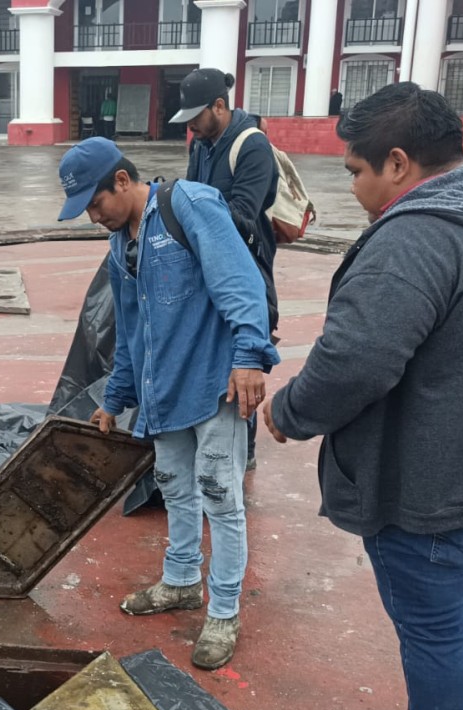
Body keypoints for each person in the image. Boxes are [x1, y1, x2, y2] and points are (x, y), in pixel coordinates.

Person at [260, 83, 463, 710]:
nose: (352, 189)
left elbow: (354, 362)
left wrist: (290, 410)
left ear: (398, 164)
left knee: (434, 631)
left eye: (354, 171)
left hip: (437, 488)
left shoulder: (412, 243)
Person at [58, 137, 278, 670]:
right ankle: (181, 581)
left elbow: (239, 281)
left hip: (212, 384)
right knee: (175, 487)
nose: (93, 216)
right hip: (164, 391)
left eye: (96, 203)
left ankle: (223, 610)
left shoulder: (191, 206)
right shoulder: (120, 246)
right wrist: (115, 400)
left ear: (122, 180)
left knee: (220, 496)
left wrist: (249, 354)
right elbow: (132, 332)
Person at [169, 67, 279, 472]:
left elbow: (245, 216)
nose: (192, 126)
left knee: (243, 349)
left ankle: (243, 448)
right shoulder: (202, 143)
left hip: (245, 261)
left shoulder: (252, 147)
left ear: (220, 106)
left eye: (197, 117)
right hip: (207, 259)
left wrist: (194, 214)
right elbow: (191, 193)